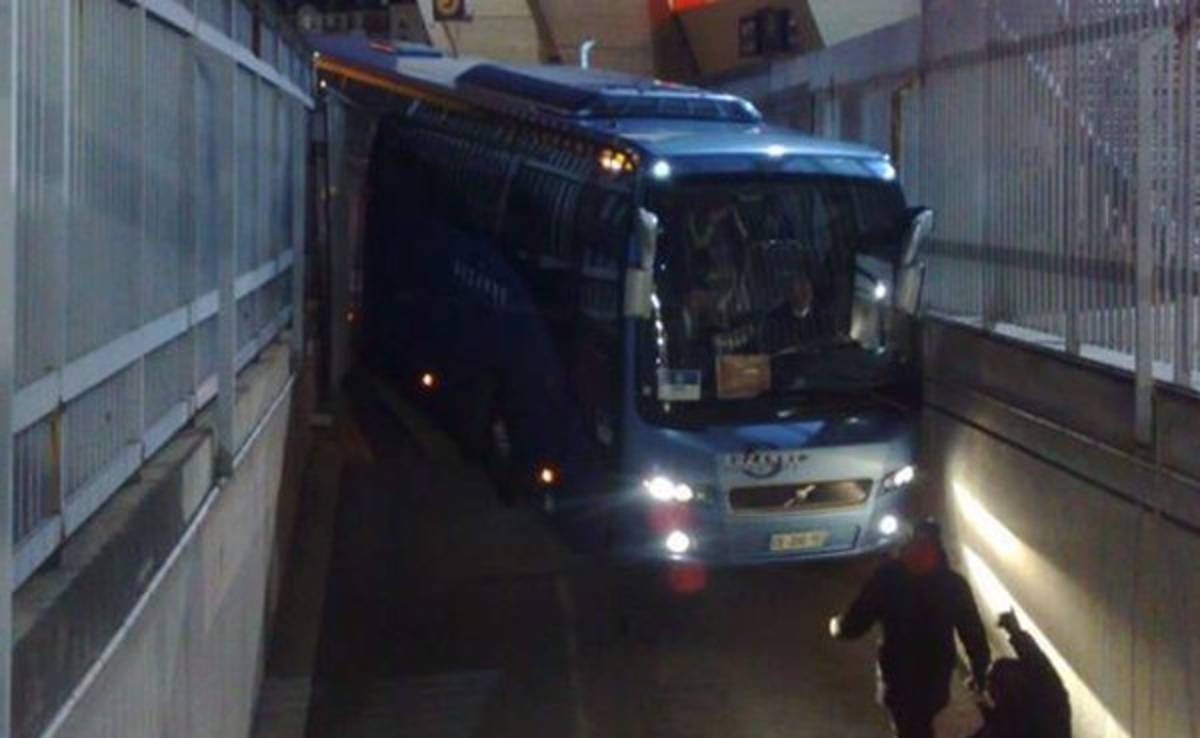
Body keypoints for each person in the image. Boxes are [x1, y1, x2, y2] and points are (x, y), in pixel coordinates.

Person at [830, 519, 991, 738]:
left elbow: (855, 623)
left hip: (897, 674)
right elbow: (973, 632)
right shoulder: (953, 585)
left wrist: (837, 626)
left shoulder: (887, 578)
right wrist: (979, 671)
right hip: (936, 676)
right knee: (922, 722)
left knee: (908, 726)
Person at [969, 610, 1071, 738]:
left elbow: (1041, 668)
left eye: (994, 690)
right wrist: (1015, 631)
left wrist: (1015, 631)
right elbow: (1041, 668)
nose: (993, 695)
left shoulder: (1047, 703)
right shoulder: (1049, 703)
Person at [757, 272, 825, 354]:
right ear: (788, 293)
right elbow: (770, 352)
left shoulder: (823, 315)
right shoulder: (774, 321)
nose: (806, 292)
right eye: (799, 288)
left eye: (807, 286)